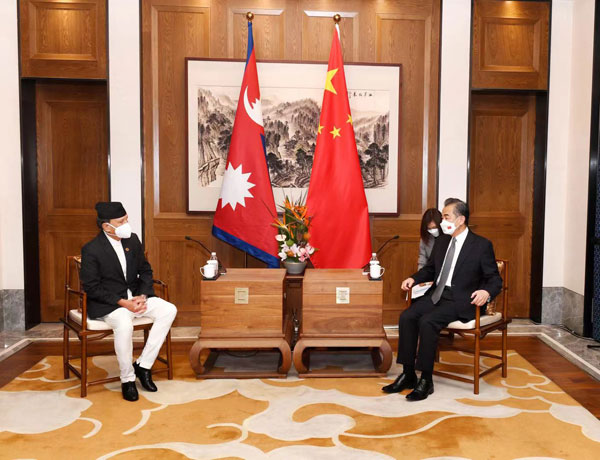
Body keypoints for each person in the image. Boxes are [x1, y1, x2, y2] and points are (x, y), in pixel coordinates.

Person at [382, 198, 502, 401]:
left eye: (446, 216)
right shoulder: (442, 241)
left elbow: (494, 279)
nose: (442, 221)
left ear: (461, 219)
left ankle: (426, 380)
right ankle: (409, 373)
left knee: (427, 322)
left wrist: (486, 292)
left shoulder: (481, 245)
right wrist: (413, 278)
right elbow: (430, 269)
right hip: (437, 295)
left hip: (462, 300)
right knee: (407, 317)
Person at [80, 202, 177, 402]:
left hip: (136, 298)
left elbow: (146, 270)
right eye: (121, 221)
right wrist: (123, 302)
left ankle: (143, 366)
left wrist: (143, 295)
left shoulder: (132, 240)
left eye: (126, 219)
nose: (126, 224)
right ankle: (127, 379)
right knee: (124, 325)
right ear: (106, 226)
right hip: (111, 303)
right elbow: (91, 287)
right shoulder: (92, 249)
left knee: (169, 310)